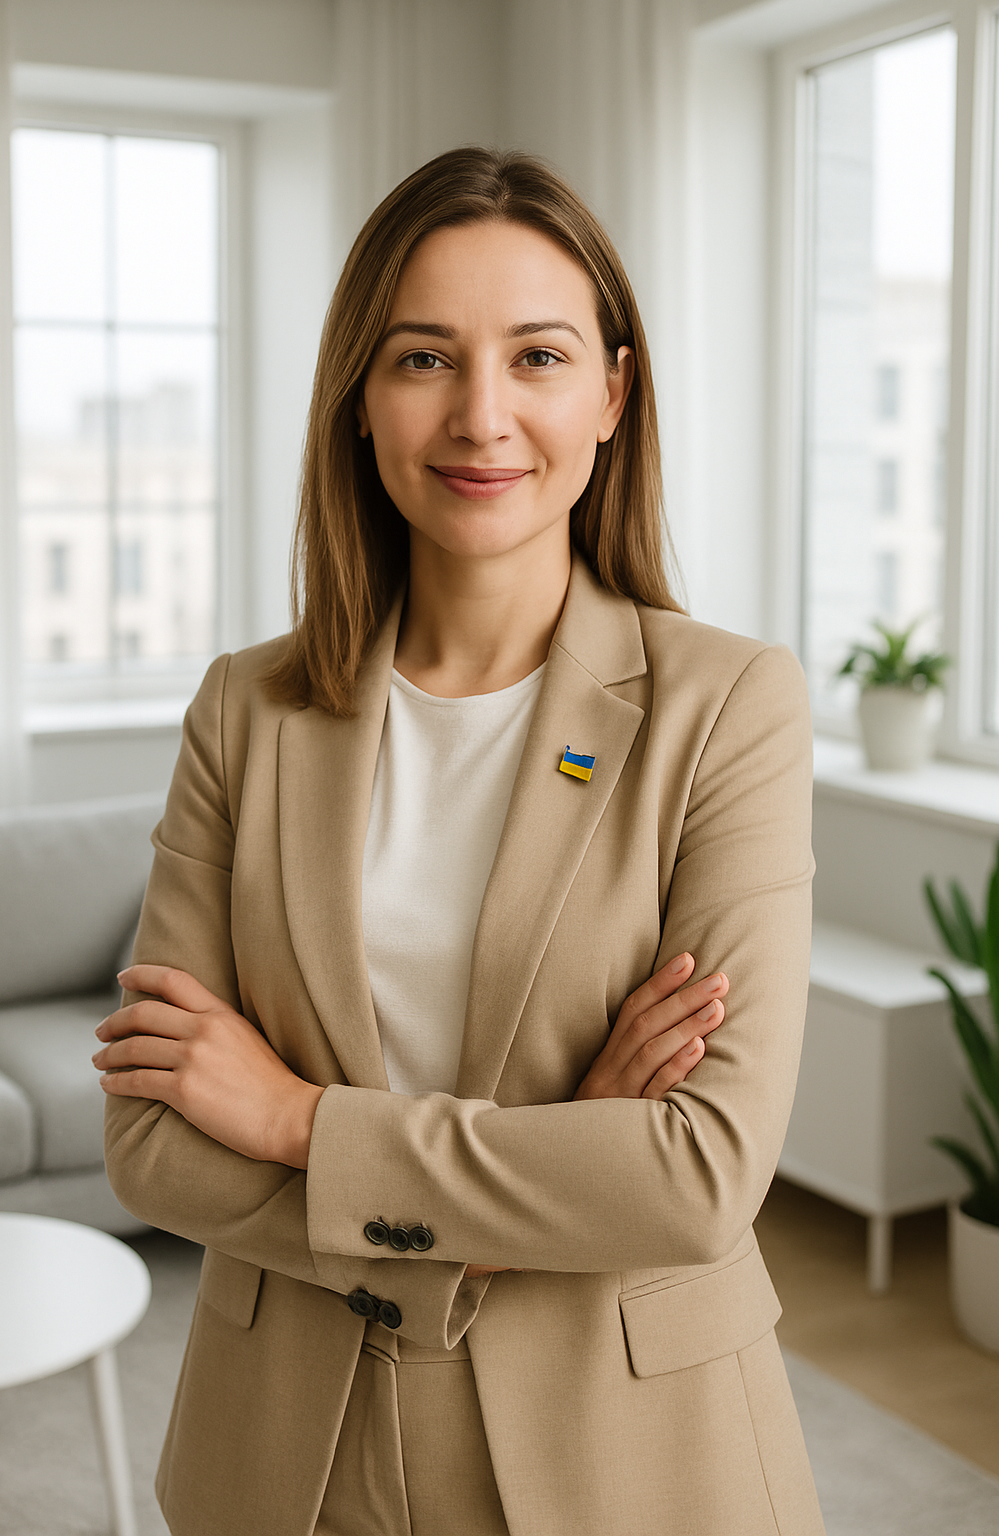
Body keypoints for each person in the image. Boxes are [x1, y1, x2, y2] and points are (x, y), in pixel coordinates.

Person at [95, 146, 824, 1536]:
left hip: (633, 1455)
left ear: (614, 391)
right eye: (424, 359)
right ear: (360, 403)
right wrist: (556, 1158)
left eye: (537, 357)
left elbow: (694, 1174)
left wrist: (302, 1122)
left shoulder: (730, 704)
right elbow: (153, 1141)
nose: (481, 416)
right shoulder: (245, 709)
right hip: (290, 1459)